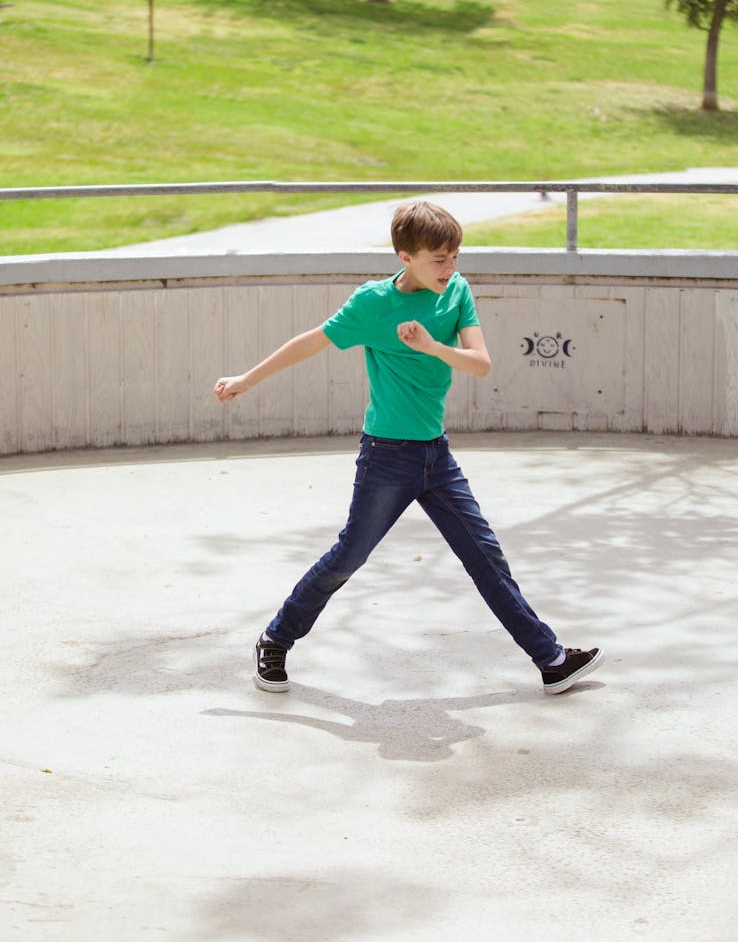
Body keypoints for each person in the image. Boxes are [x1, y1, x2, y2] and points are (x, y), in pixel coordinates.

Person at [213, 201, 604, 696]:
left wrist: (431, 347)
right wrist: (246, 380)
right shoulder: (373, 305)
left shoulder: (457, 291)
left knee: (486, 557)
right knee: (348, 557)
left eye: (455, 255)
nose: (451, 267)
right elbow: (311, 342)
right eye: (439, 258)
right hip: (387, 457)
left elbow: (481, 364)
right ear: (405, 256)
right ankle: (276, 637)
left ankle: (550, 660)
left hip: (436, 458)